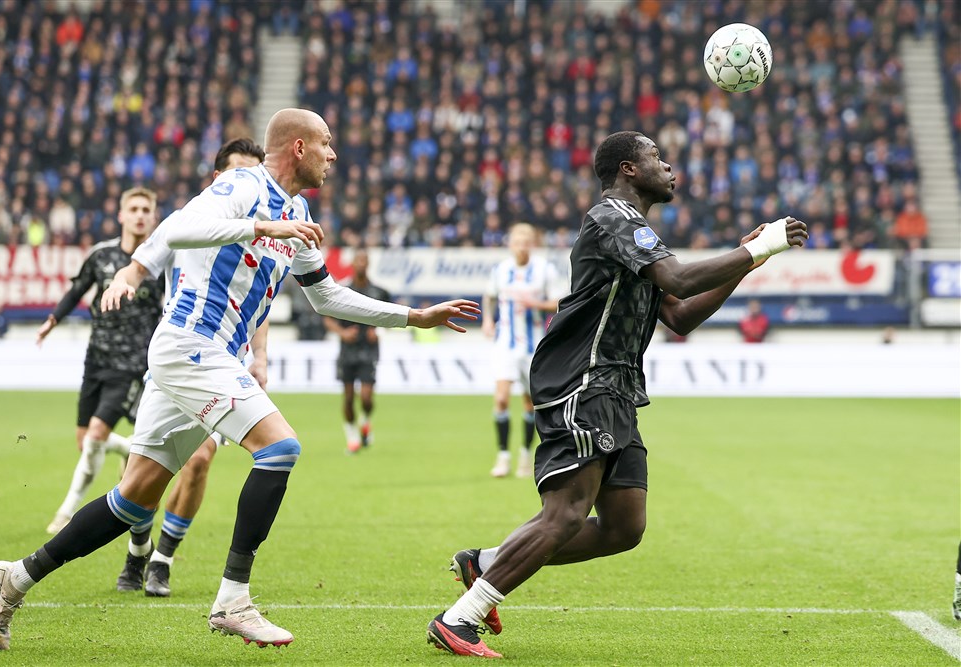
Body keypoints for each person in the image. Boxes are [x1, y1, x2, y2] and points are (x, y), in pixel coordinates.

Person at [0, 108, 479, 651]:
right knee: (281, 448)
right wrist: (147, 265)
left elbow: (327, 295)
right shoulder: (244, 184)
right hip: (191, 345)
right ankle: (233, 601)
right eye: (326, 144)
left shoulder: (298, 212)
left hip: (203, 357)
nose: (333, 155)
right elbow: (179, 227)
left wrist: (412, 316)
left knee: (132, 500)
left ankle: (15, 578)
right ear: (297, 147)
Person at [425, 130, 807, 658]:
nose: (669, 167)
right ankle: (457, 619)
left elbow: (678, 313)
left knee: (625, 526)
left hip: (618, 389)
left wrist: (748, 264)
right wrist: (756, 246)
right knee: (565, 513)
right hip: (583, 380)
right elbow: (678, 277)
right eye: (657, 157)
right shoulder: (613, 218)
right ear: (628, 169)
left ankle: (485, 563)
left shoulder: (637, 232)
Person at [102, 138, 267, 597]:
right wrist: (127, 276)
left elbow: (261, 303)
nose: (252, 186)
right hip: (176, 358)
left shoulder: (258, 236)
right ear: (218, 179)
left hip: (224, 363)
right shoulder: (192, 223)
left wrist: (262, 358)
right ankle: (137, 548)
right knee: (143, 470)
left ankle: (163, 559)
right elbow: (144, 262)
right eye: (240, 175)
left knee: (200, 460)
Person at [39, 187, 163, 535]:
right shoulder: (101, 255)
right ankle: (127, 449)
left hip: (133, 365)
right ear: (122, 215)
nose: (140, 215)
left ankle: (65, 513)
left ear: (153, 217)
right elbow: (77, 291)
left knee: (95, 434)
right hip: (96, 360)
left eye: (146, 209)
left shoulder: (161, 262)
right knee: (86, 442)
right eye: (134, 208)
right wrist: (53, 320)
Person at [481, 223, 566, 478]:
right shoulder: (501, 270)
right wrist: (487, 320)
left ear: (532, 244)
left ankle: (526, 456)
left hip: (533, 346)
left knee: (530, 403)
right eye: (517, 242)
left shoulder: (544, 270)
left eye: (526, 242)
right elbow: (489, 296)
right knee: (501, 398)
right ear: (510, 244)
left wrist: (536, 304)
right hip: (504, 344)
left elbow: (560, 303)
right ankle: (503, 456)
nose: (521, 246)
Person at [322, 250, 391, 453]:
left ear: (368, 263)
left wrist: (379, 331)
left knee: (367, 397)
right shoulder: (342, 289)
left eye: (364, 260)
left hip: (368, 350)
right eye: (358, 260)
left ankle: (366, 421)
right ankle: (352, 436)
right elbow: (326, 316)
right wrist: (342, 332)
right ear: (352, 264)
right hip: (348, 351)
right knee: (349, 397)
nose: (361, 264)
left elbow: (392, 315)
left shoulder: (379, 292)